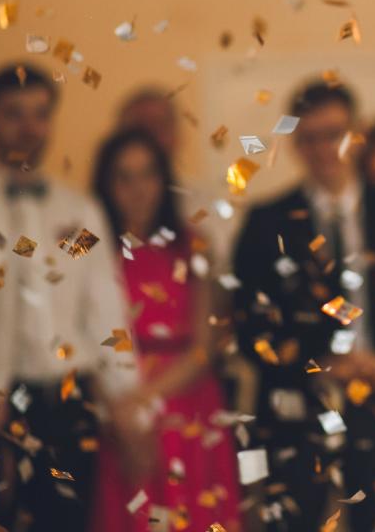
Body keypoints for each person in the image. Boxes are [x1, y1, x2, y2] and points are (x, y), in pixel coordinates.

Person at [233, 80, 375, 531]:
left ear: (356, 135)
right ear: (296, 143)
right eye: (311, 137)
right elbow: (250, 329)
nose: (324, 149)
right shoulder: (267, 222)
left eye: (334, 133)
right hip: (298, 412)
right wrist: (321, 365)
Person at [0, 63, 140, 531]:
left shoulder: (77, 211)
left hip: (67, 402)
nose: (29, 128)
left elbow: (103, 306)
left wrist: (128, 401)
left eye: (40, 115)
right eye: (14, 114)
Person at [89, 128, 241, 532]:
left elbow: (204, 347)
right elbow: (80, 338)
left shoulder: (195, 246)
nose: (138, 189)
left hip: (186, 403)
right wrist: (122, 407)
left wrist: (146, 398)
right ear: (107, 184)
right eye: (124, 177)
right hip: (117, 402)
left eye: (148, 174)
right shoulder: (93, 251)